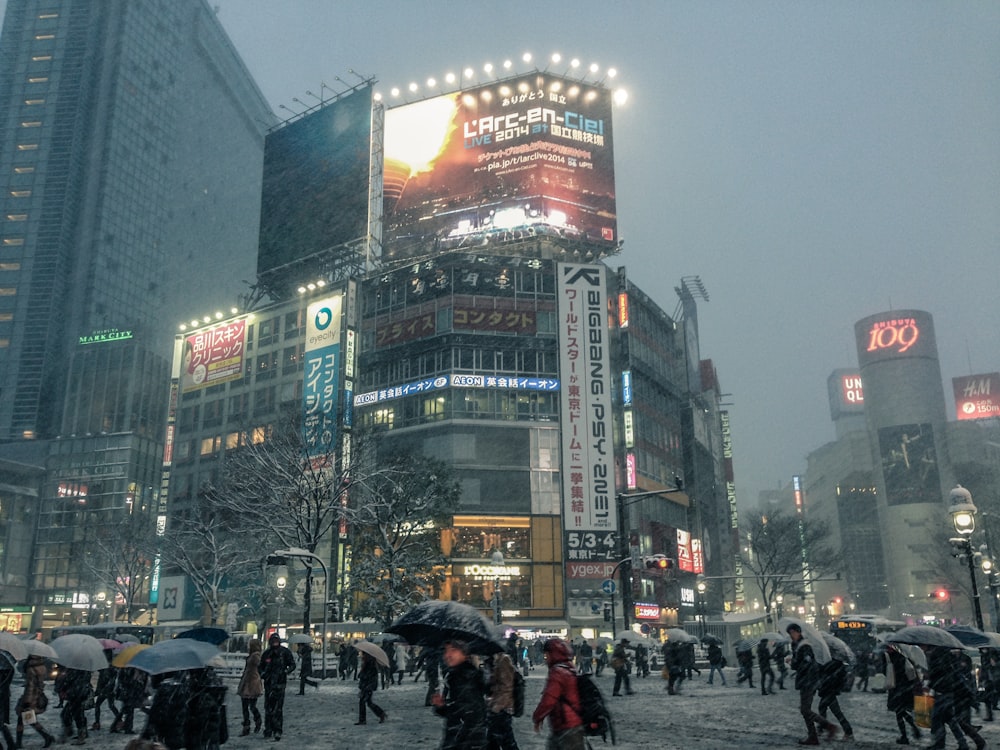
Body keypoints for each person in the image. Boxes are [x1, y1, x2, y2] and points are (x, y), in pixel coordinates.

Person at [787, 622, 838, 745]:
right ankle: (815, 734)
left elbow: (806, 664)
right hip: (807, 681)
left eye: (793, 632)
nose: (792, 635)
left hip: (808, 681)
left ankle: (827, 727)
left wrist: (793, 662)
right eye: (790, 634)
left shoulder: (805, 646)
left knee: (805, 710)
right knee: (805, 710)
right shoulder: (798, 645)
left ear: (798, 632)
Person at [431, 639, 487, 750]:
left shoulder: (463, 677)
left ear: (465, 652)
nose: (448, 655)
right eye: (446, 651)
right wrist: (441, 706)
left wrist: (442, 708)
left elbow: (466, 713)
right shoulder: (462, 674)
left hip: (465, 739)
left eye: (453, 650)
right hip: (468, 738)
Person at [532, 639, 583, 750]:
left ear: (553, 654)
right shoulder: (569, 667)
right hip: (574, 722)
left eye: (546, 655)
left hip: (565, 723)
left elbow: (549, 699)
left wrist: (537, 716)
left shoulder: (558, 672)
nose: (545, 658)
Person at [258, 633, 296, 741]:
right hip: (269, 684)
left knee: (278, 709)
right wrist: (263, 674)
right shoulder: (267, 654)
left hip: (280, 684)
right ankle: (268, 729)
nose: (275, 642)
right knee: (268, 708)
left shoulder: (285, 652)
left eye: (276, 640)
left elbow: (292, 664)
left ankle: (278, 730)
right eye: (273, 640)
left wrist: (286, 671)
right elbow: (260, 667)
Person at [15, 654, 55, 748]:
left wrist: (27, 701)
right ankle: (18, 743)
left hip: (31, 697)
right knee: (25, 718)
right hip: (37, 694)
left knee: (27, 718)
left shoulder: (31, 668)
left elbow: (30, 686)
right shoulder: (41, 666)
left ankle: (46, 736)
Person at [886, 644, 922, 745]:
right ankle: (910, 730)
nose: (887, 650)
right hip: (905, 689)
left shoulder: (895, 659)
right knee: (900, 712)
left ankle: (906, 735)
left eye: (889, 648)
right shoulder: (906, 657)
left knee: (899, 712)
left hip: (898, 689)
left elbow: (891, 674)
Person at [183, 667, 226, 750]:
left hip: (197, 745)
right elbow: (223, 735)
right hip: (212, 745)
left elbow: (190, 729)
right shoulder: (217, 692)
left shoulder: (194, 697)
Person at [486, 651, 519, 750]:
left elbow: (507, 688)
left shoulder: (503, 660)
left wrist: (496, 708)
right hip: (496, 706)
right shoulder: (494, 660)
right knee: (493, 740)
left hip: (502, 708)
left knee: (506, 741)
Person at [817, 656, 853, 740]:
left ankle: (848, 731)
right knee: (823, 708)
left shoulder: (835, 663)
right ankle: (821, 728)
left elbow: (833, 677)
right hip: (828, 689)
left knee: (836, 711)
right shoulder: (835, 662)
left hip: (829, 689)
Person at [57, 666, 93, 744]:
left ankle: (79, 736)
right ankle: (72, 733)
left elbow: (76, 683)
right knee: (67, 715)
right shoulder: (76, 669)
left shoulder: (80, 671)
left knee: (76, 716)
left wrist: (67, 691)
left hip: (77, 696)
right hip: (75, 695)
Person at [237, 638, 263, 736]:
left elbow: (260, 666)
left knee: (249, 706)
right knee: (249, 706)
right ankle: (254, 722)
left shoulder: (255, 656)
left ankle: (249, 724)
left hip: (251, 682)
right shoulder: (254, 655)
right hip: (249, 682)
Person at [356, 650, 387, 725]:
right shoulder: (367, 662)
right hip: (367, 685)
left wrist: (362, 675)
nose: (362, 656)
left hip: (368, 685)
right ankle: (381, 714)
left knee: (363, 701)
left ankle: (363, 719)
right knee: (368, 702)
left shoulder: (370, 663)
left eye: (363, 654)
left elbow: (370, 675)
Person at [91, 654, 120, 732]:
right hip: (108, 691)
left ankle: (97, 723)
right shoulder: (111, 668)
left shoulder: (106, 669)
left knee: (99, 705)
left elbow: (103, 681)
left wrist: (100, 690)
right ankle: (119, 720)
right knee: (111, 706)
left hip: (106, 691)